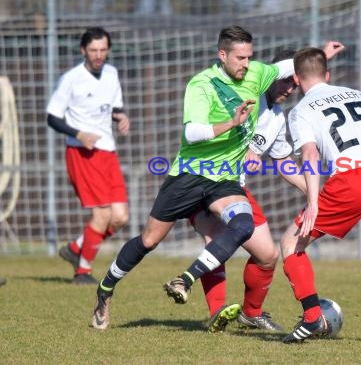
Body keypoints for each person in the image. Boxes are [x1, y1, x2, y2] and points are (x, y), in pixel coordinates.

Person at [91, 25, 343, 330]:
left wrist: (314, 193)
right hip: (189, 177)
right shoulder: (202, 84)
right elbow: (191, 133)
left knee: (252, 238)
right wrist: (232, 123)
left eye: (250, 57)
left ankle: (190, 283)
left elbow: (283, 158)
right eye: (240, 58)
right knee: (150, 240)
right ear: (222, 55)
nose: (246, 64)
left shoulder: (265, 89)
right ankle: (105, 290)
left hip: (226, 184)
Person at [279, 47, 361, 344]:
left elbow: (309, 154)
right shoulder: (356, 94)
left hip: (350, 182)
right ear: (328, 75)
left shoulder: (301, 110)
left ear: (297, 79)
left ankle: (312, 318)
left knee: (290, 243)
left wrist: (313, 201)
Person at [192, 49, 309, 333]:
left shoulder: (278, 117)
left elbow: (282, 162)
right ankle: (217, 311)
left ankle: (250, 313)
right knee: (213, 237)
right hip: (204, 179)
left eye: (296, 84)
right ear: (271, 76)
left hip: (236, 189)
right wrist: (241, 149)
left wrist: (314, 191)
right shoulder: (242, 95)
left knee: (268, 255)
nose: (291, 89)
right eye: (286, 81)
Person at [47, 27, 130, 285]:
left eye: (103, 50)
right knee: (102, 215)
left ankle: (76, 249)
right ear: (83, 50)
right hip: (82, 153)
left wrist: (121, 117)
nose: (98, 55)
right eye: (93, 50)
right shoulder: (71, 79)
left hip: (108, 151)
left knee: (120, 217)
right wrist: (79, 134)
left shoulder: (111, 73)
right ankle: (82, 272)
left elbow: (114, 107)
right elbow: (52, 117)